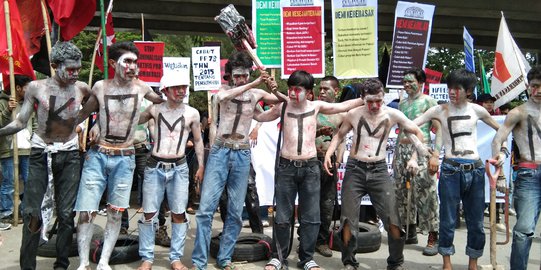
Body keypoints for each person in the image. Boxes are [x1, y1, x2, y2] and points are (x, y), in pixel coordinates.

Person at [256, 70, 363, 270]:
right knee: (282, 216)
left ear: (309, 92)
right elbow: (260, 116)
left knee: (312, 217)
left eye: (298, 89)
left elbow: (341, 106)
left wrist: (365, 99)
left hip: (310, 168)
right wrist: (251, 99)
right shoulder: (283, 106)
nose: (293, 93)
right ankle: (278, 257)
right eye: (291, 89)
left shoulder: (316, 106)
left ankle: (307, 259)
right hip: (286, 167)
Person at [0, 41, 91, 270]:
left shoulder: (81, 88)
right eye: (70, 69)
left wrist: (81, 124)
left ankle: (61, 265)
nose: (75, 73)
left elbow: (95, 105)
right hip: (41, 154)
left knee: (66, 214)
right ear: (54, 65)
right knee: (32, 213)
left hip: (69, 156)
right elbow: (21, 122)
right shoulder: (35, 88)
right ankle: (27, 267)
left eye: (78, 68)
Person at [74, 41, 164, 270]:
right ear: (114, 63)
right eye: (128, 61)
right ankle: (83, 263)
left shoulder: (142, 88)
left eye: (136, 62)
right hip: (98, 155)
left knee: (116, 212)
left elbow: (163, 102)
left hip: (126, 157)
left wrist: (175, 86)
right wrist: (61, 124)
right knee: (86, 211)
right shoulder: (100, 87)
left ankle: (104, 261)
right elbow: (85, 112)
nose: (133, 66)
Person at [323, 78, 428, 270]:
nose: (374, 105)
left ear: (383, 97)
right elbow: (339, 134)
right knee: (348, 222)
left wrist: (414, 158)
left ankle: (395, 263)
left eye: (378, 101)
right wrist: (329, 153)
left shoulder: (393, 114)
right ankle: (349, 262)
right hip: (355, 169)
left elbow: (418, 134)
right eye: (370, 101)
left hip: (379, 170)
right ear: (362, 98)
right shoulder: (354, 114)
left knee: (394, 222)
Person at [191, 51, 278, 270]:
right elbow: (221, 99)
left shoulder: (255, 94)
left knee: (235, 211)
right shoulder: (224, 91)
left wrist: (278, 97)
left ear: (249, 73)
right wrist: (257, 83)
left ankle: (225, 258)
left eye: (245, 75)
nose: (241, 79)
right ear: (230, 76)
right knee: (205, 210)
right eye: (237, 76)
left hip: (242, 152)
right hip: (221, 151)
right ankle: (199, 262)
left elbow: (264, 115)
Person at [413, 69, 504, 270]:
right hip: (450, 170)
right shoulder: (440, 110)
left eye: (457, 89)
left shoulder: (477, 110)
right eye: (449, 88)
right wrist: (420, 147)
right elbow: (409, 126)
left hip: (477, 170)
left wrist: (502, 152)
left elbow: (502, 131)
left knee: (476, 222)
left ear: (469, 91)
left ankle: (473, 263)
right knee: (448, 220)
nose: (452, 93)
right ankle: (447, 263)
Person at [136, 74, 205, 270]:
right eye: (176, 87)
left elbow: (198, 140)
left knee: (178, 213)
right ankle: (147, 258)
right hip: (154, 166)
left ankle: (175, 258)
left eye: (184, 87)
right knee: (149, 213)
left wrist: (201, 165)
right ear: (165, 90)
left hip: (179, 168)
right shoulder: (155, 109)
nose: (181, 91)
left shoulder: (192, 113)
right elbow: (132, 118)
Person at [491, 66, 541, 270]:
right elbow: (497, 139)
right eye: (535, 86)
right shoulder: (518, 112)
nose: (539, 91)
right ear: (529, 87)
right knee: (523, 231)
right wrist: (500, 171)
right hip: (529, 174)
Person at [393, 68, 441, 256]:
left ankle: (433, 235)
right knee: (402, 192)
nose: (406, 85)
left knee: (426, 193)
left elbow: (439, 130)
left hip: (423, 150)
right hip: (401, 151)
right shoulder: (401, 103)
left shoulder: (429, 102)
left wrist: (435, 155)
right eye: (404, 82)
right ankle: (409, 229)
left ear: (421, 83)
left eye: (410, 81)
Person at [313, 75, 345, 257]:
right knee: (310, 203)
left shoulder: (342, 113)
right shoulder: (313, 110)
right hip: (311, 161)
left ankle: (322, 241)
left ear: (336, 91)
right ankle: (306, 237)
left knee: (326, 204)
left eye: (326, 89)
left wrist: (338, 160)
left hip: (330, 164)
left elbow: (341, 139)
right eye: (321, 88)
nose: (322, 92)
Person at [0, 75, 35, 224]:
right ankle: (6, 213)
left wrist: (33, 138)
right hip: (8, 149)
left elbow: (34, 123)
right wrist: (8, 110)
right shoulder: (2, 102)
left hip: (27, 149)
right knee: (9, 183)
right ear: (18, 88)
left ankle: (23, 211)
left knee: (29, 182)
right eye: (27, 87)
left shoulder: (29, 103)